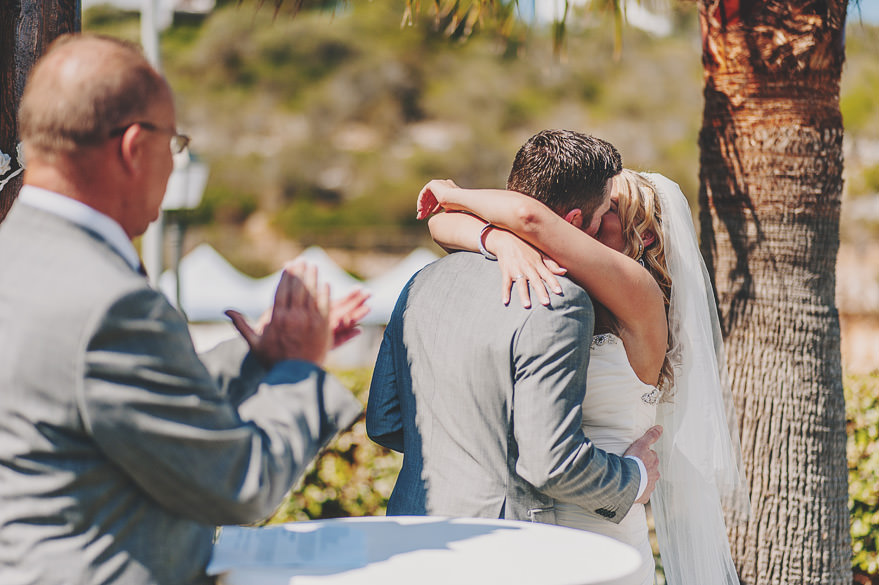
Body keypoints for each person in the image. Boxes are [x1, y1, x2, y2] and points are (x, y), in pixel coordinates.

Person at [0, 34, 366, 585]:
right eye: (175, 144)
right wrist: (301, 368)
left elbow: (110, 402)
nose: (175, 167)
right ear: (132, 148)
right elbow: (241, 482)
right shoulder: (111, 302)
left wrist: (257, 359)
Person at [416, 163, 750, 584]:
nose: (585, 216)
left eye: (608, 207)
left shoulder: (639, 293)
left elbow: (530, 217)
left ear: (643, 234)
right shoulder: (558, 283)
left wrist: (453, 191)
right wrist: (497, 239)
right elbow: (440, 225)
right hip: (534, 530)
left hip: (603, 525)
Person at [366, 130, 662, 532]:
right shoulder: (559, 301)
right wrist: (636, 477)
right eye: (605, 207)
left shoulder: (424, 281)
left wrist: (457, 200)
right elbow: (548, 462)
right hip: (513, 536)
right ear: (575, 221)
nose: (604, 220)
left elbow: (385, 421)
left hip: (417, 525)